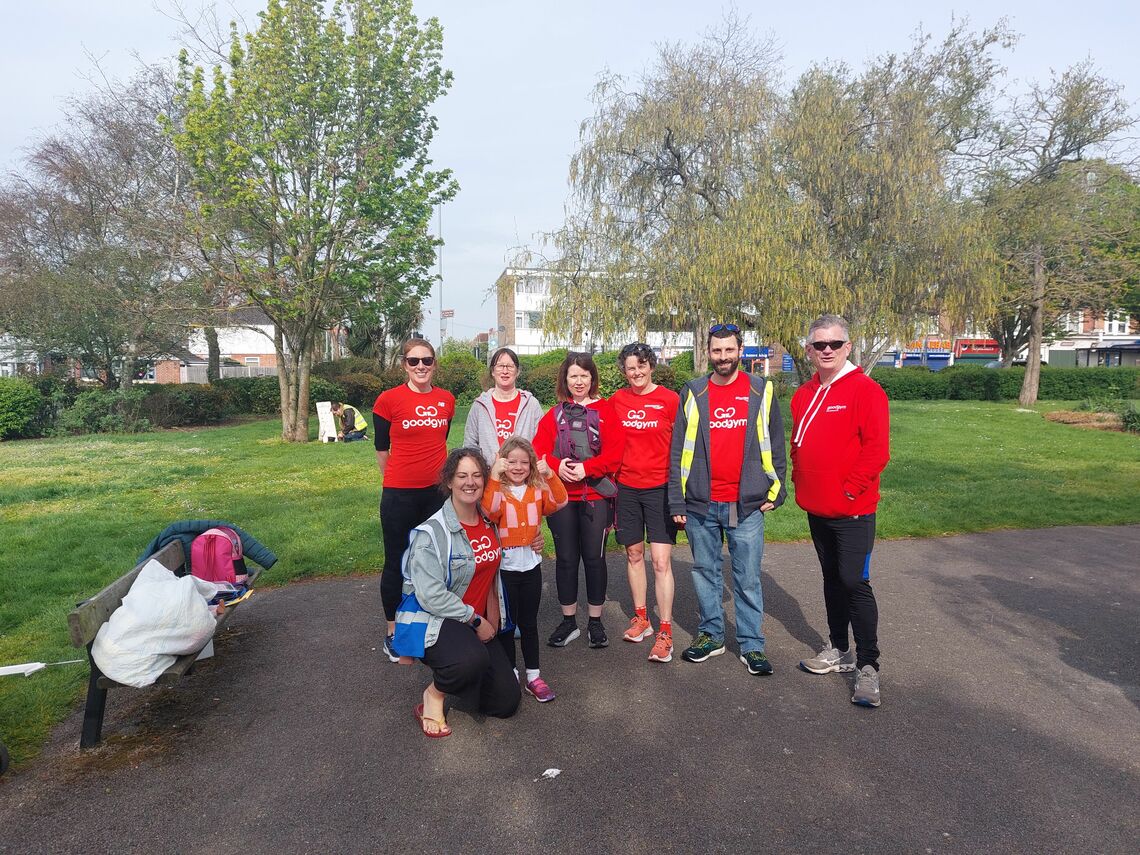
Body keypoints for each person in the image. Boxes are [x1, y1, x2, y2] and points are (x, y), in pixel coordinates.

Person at [668, 323, 786, 675]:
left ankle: (752, 645)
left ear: (740, 350)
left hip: (746, 504)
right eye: (716, 351)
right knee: (705, 572)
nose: (723, 357)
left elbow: (775, 443)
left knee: (747, 577)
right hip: (700, 503)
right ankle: (712, 635)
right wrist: (677, 501)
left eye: (729, 350)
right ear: (708, 352)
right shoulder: (693, 392)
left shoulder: (760, 390)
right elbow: (678, 452)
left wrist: (776, 488)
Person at [791, 314, 890, 708]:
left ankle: (868, 666)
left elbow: (876, 451)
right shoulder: (803, 393)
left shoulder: (866, 391)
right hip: (817, 508)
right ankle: (837, 648)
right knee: (832, 579)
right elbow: (799, 444)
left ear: (848, 347)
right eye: (819, 345)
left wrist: (850, 490)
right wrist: (802, 482)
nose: (826, 351)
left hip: (853, 511)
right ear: (809, 350)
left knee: (854, 582)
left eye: (834, 344)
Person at [393, 448, 521, 737]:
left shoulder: (489, 522)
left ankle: (464, 671)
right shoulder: (432, 533)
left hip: (475, 622)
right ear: (449, 481)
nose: (470, 482)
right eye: (462, 475)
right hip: (440, 620)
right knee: (469, 661)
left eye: (477, 475)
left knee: (506, 702)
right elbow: (431, 596)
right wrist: (475, 620)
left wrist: (534, 539)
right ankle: (434, 694)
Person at [532, 352, 625, 649]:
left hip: (595, 496)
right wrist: (556, 465)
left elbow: (615, 454)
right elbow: (538, 450)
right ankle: (569, 620)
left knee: (595, 559)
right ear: (566, 380)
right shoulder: (555, 413)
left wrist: (587, 468)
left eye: (584, 375)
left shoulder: (606, 411)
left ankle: (595, 623)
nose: (579, 381)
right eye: (573, 376)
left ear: (592, 378)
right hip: (560, 498)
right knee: (567, 559)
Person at [373, 338, 455, 662]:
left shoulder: (446, 400)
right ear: (404, 364)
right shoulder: (388, 400)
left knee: (434, 560)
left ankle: (432, 621)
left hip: (437, 493)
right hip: (399, 495)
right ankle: (393, 631)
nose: (421, 366)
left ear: (434, 363)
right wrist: (395, 479)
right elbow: (382, 448)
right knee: (396, 561)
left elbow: (440, 440)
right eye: (413, 361)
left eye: (427, 360)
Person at [481, 437, 568, 702]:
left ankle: (533, 676)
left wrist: (550, 475)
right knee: (508, 625)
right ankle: (511, 673)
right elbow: (488, 511)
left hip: (530, 567)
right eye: (512, 462)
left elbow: (560, 502)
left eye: (524, 462)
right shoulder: (497, 490)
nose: (518, 467)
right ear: (502, 462)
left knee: (529, 624)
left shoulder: (537, 490)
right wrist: (494, 478)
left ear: (532, 465)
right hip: (505, 569)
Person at [609, 342, 680, 663]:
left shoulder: (669, 400)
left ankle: (665, 631)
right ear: (624, 372)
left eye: (641, 366)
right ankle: (642, 618)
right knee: (634, 554)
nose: (636, 372)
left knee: (661, 561)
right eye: (630, 368)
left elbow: (683, 449)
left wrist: (681, 494)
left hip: (660, 490)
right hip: (626, 489)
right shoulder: (617, 401)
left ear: (651, 366)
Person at [463, 347, 544, 465]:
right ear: (492, 371)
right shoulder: (480, 406)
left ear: (518, 371)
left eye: (510, 366)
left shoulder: (531, 404)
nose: (505, 371)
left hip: (522, 476)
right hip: (490, 477)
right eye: (500, 366)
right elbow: (470, 444)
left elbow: (542, 441)